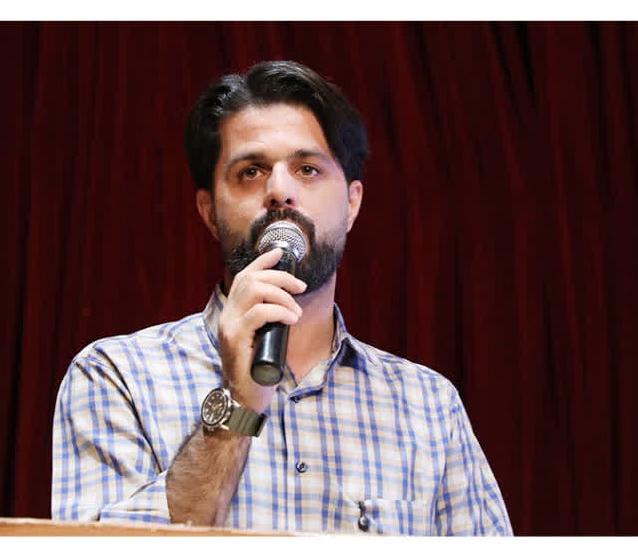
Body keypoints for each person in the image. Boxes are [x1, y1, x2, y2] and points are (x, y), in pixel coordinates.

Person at [52, 60, 513, 535]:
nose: (279, 191)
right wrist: (237, 402)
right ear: (209, 213)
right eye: (251, 171)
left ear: (351, 203)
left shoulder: (429, 405)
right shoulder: (116, 376)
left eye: (307, 169)